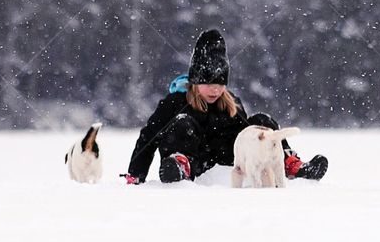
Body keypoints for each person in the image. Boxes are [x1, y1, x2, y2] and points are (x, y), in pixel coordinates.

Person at [123, 29, 328, 184]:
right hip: (194, 162)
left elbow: (249, 137)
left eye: (220, 84)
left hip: (226, 160)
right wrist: (135, 175)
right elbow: (148, 138)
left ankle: (287, 163)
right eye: (208, 84)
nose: (215, 90)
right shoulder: (175, 102)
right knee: (182, 123)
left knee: (261, 123)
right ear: (195, 81)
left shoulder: (231, 104)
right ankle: (179, 165)